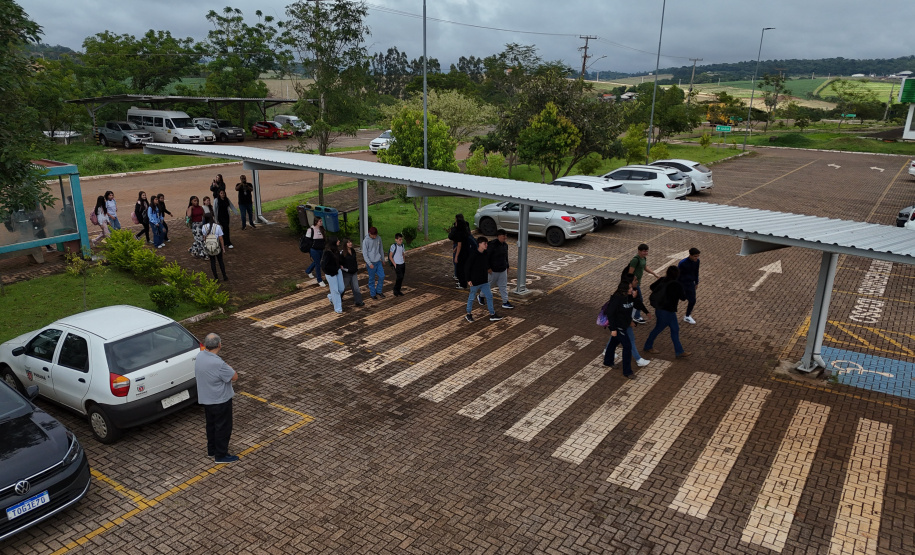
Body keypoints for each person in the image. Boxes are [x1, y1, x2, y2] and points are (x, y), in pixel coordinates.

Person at [194, 333, 239, 464]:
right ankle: (221, 455)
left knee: (212, 425)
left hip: (207, 399)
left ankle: (212, 450)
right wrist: (229, 367)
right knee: (223, 427)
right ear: (219, 344)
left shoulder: (200, 356)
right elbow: (234, 376)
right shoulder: (218, 363)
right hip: (220, 400)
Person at [643, 266, 691, 359]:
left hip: (661, 309)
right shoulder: (677, 285)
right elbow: (683, 298)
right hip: (668, 311)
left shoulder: (662, 280)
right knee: (660, 329)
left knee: (675, 329)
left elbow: (652, 287)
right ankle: (648, 346)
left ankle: (679, 351)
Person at [602, 280, 639, 379]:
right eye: (630, 288)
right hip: (618, 326)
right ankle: (627, 372)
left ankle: (608, 361)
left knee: (614, 342)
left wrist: (630, 321)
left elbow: (628, 310)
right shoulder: (616, 299)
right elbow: (610, 313)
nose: (632, 289)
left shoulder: (629, 297)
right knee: (627, 346)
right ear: (624, 290)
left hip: (624, 325)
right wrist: (613, 329)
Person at [464, 236, 502, 322]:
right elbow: (467, 267)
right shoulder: (473, 254)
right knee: (471, 297)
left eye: (486, 243)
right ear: (479, 244)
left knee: (489, 296)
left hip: (484, 281)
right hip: (475, 281)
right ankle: (468, 314)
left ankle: (492, 314)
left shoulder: (485, 254)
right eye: (484, 243)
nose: (486, 245)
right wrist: (468, 280)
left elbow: (486, 263)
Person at [479, 228, 513, 310]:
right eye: (503, 236)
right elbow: (486, 257)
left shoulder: (505, 245)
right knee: (488, 285)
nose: (505, 237)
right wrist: (488, 268)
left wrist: (507, 266)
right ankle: (481, 296)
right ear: (498, 236)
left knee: (503, 286)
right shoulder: (492, 245)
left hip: (502, 269)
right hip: (493, 270)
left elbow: (506, 257)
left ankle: (505, 302)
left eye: (506, 236)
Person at [627, 243, 660, 324]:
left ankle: (631, 314)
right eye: (644, 251)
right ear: (639, 251)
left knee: (633, 299)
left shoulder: (643, 258)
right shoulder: (635, 260)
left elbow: (645, 267)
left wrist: (654, 273)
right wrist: (632, 284)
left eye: (646, 251)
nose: (645, 253)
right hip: (634, 283)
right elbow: (630, 272)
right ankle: (636, 316)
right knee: (639, 299)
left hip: (637, 283)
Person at [201, 214, 229, 281]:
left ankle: (216, 277)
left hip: (210, 247)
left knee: (212, 262)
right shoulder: (217, 226)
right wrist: (223, 247)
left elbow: (204, 238)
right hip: (217, 245)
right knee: (220, 261)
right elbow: (221, 238)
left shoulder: (204, 227)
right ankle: (224, 276)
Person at [678, 247, 701, 324]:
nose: (696, 258)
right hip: (682, 284)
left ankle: (687, 316)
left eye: (697, 256)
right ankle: (670, 314)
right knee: (676, 299)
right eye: (695, 256)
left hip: (690, 284)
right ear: (690, 255)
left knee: (692, 300)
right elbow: (678, 275)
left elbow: (696, 272)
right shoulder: (682, 263)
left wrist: (696, 282)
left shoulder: (697, 261)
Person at [340, 238, 364, 307]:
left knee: (356, 287)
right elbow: (340, 262)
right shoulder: (342, 253)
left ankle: (358, 301)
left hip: (353, 272)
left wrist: (356, 268)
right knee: (343, 287)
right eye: (348, 242)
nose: (350, 243)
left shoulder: (353, 251)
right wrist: (344, 269)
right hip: (346, 273)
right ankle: (337, 299)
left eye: (351, 242)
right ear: (345, 244)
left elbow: (354, 260)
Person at [322, 238, 344, 313]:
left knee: (341, 288)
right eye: (338, 240)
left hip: (337, 270)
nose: (339, 241)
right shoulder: (327, 253)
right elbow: (324, 265)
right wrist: (329, 271)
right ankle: (338, 308)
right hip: (331, 273)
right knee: (335, 290)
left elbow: (338, 260)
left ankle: (331, 297)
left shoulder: (337, 251)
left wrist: (340, 265)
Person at [362, 226, 385, 299]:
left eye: (376, 235)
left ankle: (379, 291)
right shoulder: (366, 241)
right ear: (370, 234)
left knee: (382, 276)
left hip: (378, 261)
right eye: (373, 235)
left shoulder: (379, 238)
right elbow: (364, 253)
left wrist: (383, 259)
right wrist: (369, 263)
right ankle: (373, 294)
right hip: (371, 263)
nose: (375, 237)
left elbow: (381, 249)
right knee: (372, 279)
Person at [450, 214, 471, 289]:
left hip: (462, 253)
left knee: (460, 268)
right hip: (467, 251)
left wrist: (456, 256)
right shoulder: (466, 232)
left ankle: (462, 284)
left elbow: (459, 245)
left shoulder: (459, 234)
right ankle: (464, 281)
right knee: (464, 267)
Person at [304, 218, 326, 287]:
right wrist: (311, 247)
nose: (321, 222)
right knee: (318, 264)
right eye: (320, 221)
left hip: (321, 249)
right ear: (316, 222)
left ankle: (308, 270)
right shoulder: (311, 230)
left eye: (322, 221)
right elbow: (307, 240)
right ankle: (319, 280)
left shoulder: (322, 229)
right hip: (313, 249)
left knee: (318, 261)